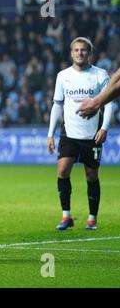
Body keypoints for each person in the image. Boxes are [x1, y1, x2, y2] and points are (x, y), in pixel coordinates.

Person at [47, 37, 114, 231]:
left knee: (91, 175)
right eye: (76, 50)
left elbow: (109, 102)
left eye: (83, 50)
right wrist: (50, 134)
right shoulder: (63, 76)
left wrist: (104, 128)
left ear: (89, 53)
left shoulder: (100, 75)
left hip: (91, 135)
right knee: (62, 171)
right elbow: (57, 105)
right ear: (71, 53)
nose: (79, 53)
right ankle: (66, 216)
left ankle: (92, 218)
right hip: (69, 133)